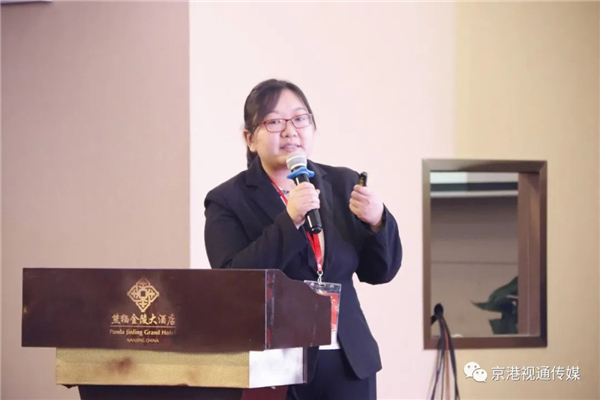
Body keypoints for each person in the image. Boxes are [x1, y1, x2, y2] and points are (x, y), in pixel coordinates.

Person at [204, 79, 402, 400]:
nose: (290, 131)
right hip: (275, 367)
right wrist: (290, 221)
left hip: (347, 362)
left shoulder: (342, 183)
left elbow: (381, 271)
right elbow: (233, 283)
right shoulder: (228, 200)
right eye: (274, 122)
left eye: (300, 119)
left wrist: (378, 221)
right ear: (250, 139)